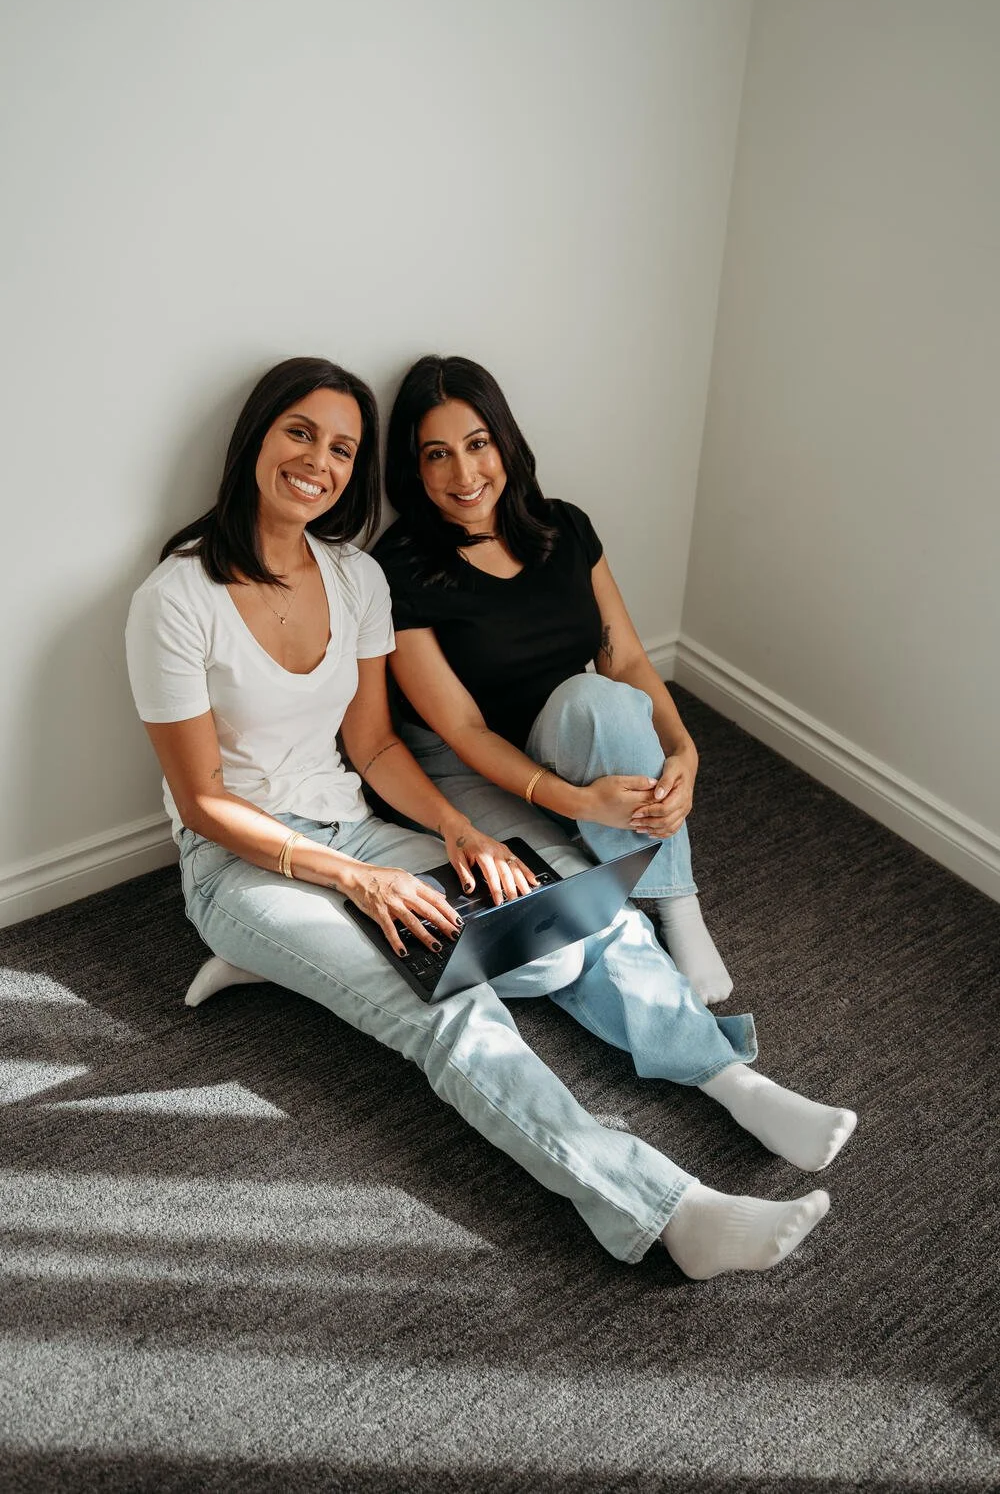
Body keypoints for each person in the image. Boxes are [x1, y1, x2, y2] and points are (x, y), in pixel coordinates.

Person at [126, 355, 855, 1281]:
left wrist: (460, 834)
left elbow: (380, 749)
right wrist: (358, 880)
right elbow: (203, 802)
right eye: (300, 433)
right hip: (239, 864)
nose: (320, 461)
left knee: (574, 911)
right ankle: (668, 1209)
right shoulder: (175, 598)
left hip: (361, 830)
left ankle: (730, 1079)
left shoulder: (351, 578)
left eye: (342, 447)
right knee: (453, 1011)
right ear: (256, 441)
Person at [373, 355, 732, 1008]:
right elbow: (462, 728)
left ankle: (676, 905)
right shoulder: (399, 568)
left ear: (504, 441)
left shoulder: (563, 527)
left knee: (596, 699)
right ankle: (651, 974)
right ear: (413, 467)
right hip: (462, 768)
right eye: (437, 455)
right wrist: (580, 805)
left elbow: (623, 659)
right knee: (564, 922)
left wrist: (685, 750)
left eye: (477, 444)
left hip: (568, 736)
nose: (464, 474)